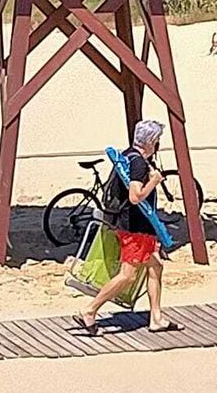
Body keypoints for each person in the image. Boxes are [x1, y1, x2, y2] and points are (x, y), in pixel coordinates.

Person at [75, 119, 179, 335]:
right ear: (151, 141)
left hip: (134, 226)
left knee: (156, 266)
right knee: (128, 275)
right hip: (134, 228)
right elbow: (135, 196)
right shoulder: (139, 163)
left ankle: (156, 318)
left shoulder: (129, 154)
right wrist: (155, 181)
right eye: (158, 141)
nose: (158, 145)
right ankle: (89, 310)